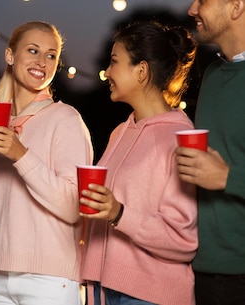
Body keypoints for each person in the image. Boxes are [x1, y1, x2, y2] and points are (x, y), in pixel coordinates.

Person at [81, 21, 198, 305]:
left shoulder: (178, 137)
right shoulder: (120, 132)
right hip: (104, 289)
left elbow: (184, 239)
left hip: (149, 296)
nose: (107, 72)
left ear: (141, 71)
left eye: (114, 62)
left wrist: (119, 213)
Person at [0, 21, 93, 305]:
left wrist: (21, 154)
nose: (42, 62)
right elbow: (8, 208)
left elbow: (73, 207)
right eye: (33, 50)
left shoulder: (65, 119)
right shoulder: (1, 127)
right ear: (10, 56)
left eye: (51, 55)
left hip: (50, 280)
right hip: (1, 277)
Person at [175, 0, 245, 305]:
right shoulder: (215, 73)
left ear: (236, 7)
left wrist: (227, 177)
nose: (192, 9)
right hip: (207, 273)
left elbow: (224, 171)